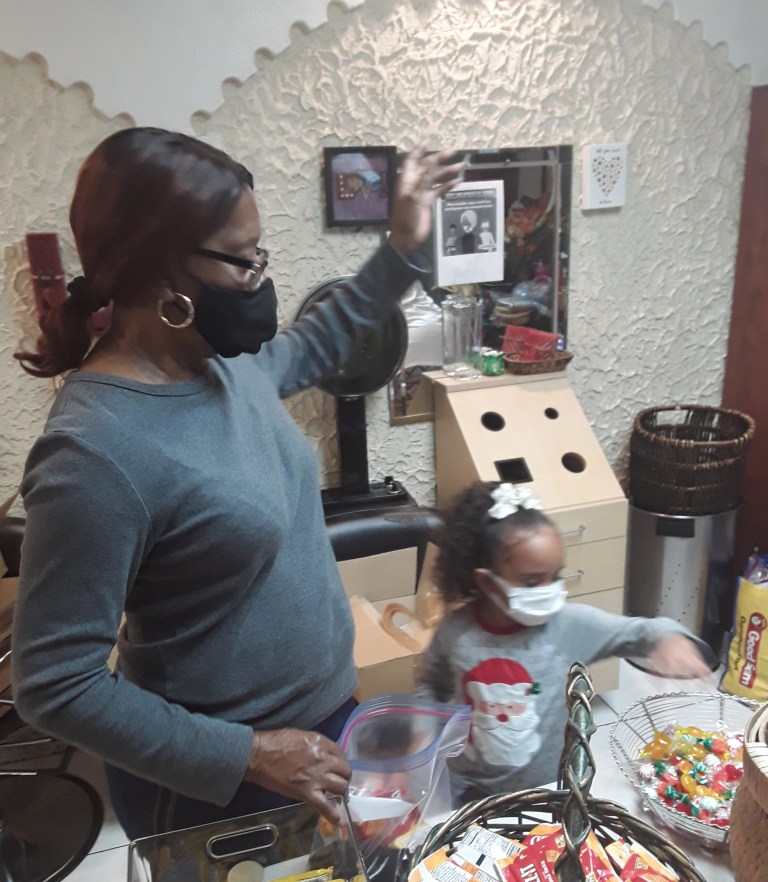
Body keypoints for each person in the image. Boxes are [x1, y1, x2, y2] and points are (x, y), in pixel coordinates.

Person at [11, 127, 462, 840]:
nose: (260, 278)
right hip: (221, 785)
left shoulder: (221, 364)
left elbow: (318, 340)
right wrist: (251, 755)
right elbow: (53, 683)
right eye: (245, 260)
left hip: (322, 728)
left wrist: (402, 246)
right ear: (163, 276)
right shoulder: (95, 453)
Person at [416, 481, 712, 802]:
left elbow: (638, 632)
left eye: (555, 576)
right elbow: (430, 684)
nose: (549, 590)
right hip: (466, 786)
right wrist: (421, 731)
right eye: (532, 581)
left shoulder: (568, 626)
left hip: (543, 787)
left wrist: (668, 640)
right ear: (487, 582)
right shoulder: (455, 633)